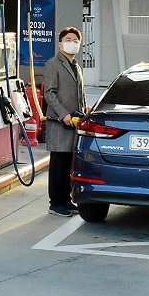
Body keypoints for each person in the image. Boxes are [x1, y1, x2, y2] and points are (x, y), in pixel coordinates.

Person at [42, 26, 86, 216]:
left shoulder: (76, 66)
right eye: (68, 40)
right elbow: (49, 93)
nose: (72, 43)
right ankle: (55, 203)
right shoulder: (53, 64)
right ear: (60, 44)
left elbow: (81, 94)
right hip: (60, 122)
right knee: (58, 164)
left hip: (74, 123)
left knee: (68, 163)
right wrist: (63, 114)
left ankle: (66, 200)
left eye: (76, 41)